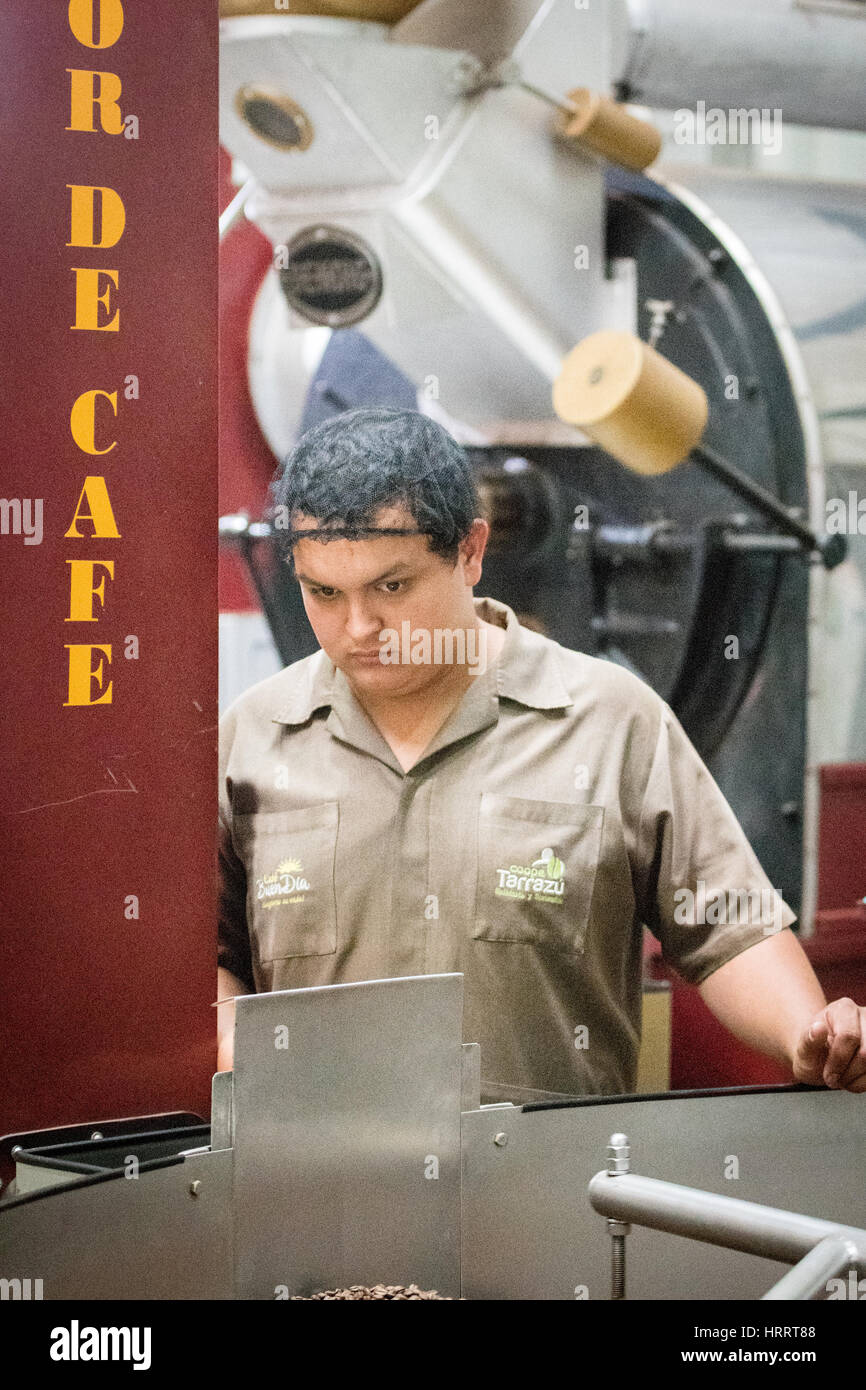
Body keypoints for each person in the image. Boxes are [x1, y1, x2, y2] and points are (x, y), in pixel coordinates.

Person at [217, 407, 866, 1102]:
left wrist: (808, 1032)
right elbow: (210, 954)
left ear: (470, 551)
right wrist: (231, 1047)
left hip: (552, 1190)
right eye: (324, 593)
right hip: (313, 1189)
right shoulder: (258, 737)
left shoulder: (609, 721)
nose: (359, 627)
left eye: (392, 586)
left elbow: (729, 929)